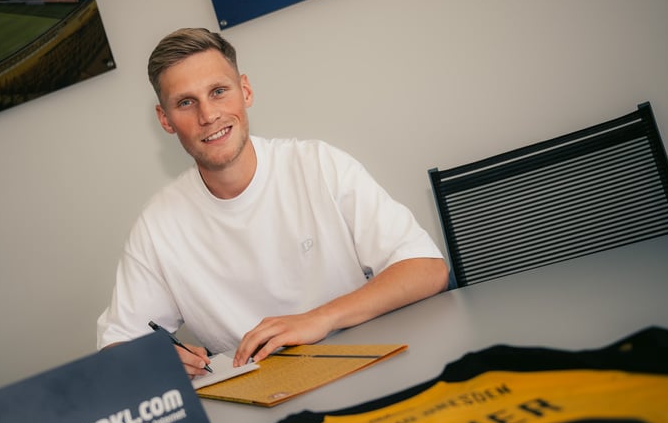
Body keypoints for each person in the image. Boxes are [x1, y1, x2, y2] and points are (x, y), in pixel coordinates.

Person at [96, 27, 448, 376]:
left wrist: (318, 320)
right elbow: (117, 346)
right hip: (262, 399)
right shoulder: (158, 225)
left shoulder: (319, 164)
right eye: (186, 102)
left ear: (245, 91)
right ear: (165, 120)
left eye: (219, 91)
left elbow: (428, 268)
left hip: (369, 369)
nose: (208, 115)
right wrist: (153, 361)